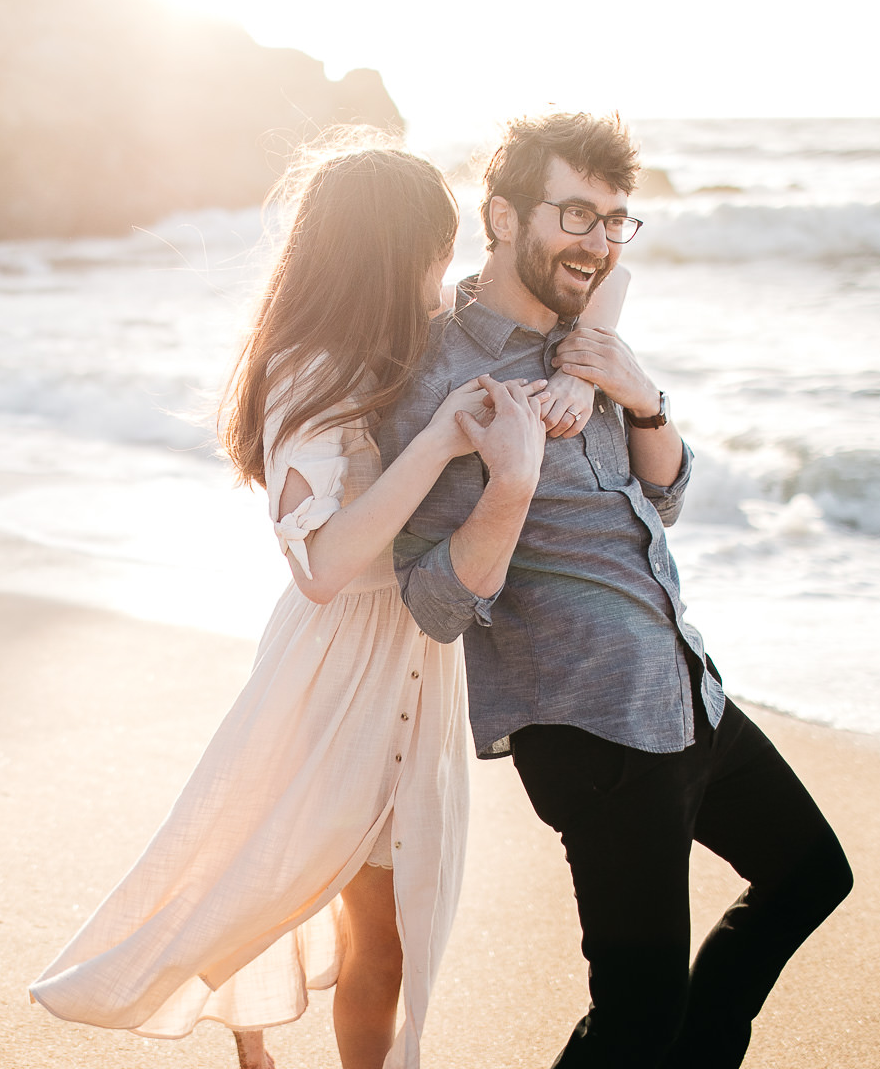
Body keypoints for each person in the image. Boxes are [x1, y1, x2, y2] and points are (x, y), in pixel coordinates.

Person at [29, 143, 549, 1069]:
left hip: (418, 656)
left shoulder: (410, 351)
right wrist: (434, 444)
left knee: (385, 920)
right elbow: (326, 565)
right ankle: (258, 1046)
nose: (448, 269)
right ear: (389, 254)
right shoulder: (310, 372)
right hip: (341, 656)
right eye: (437, 249)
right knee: (295, 871)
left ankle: (277, 1053)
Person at [378, 112, 854, 1068]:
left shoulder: (591, 340)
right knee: (636, 1017)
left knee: (809, 878)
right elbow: (431, 601)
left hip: (685, 690)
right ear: (502, 216)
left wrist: (643, 397)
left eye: (615, 219)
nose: (597, 242)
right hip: (589, 724)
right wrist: (508, 484)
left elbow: (666, 495)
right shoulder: (438, 375)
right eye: (574, 213)